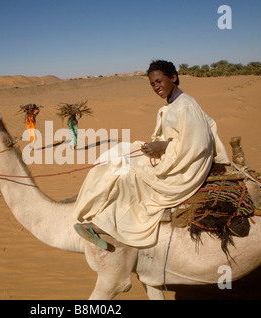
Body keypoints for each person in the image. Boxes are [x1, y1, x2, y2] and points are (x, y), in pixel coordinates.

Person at [74, 60, 229, 249]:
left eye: (159, 81)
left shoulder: (186, 105)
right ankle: (92, 201)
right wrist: (154, 146)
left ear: (173, 78)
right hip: (173, 158)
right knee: (119, 150)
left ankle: (103, 223)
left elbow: (198, 144)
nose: (156, 87)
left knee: (127, 173)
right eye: (152, 84)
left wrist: (162, 145)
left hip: (185, 169)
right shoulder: (171, 105)